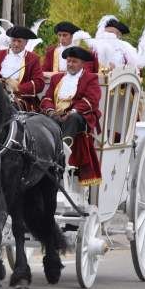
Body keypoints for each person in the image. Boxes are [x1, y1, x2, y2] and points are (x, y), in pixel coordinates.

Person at [41, 46, 102, 186]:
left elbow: (91, 100)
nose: (70, 64)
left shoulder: (90, 78)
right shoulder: (57, 78)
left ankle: (63, 155)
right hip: (56, 114)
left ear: (82, 63)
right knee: (40, 119)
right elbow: (47, 98)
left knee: (72, 119)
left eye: (74, 61)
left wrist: (71, 111)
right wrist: (50, 111)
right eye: (68, 61)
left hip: (79, 117)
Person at [0, 25, 44, 111]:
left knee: (10, 108)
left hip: (20, 99)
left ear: (26, 42)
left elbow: (39, 83)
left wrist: (17, 87)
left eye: (19, 41)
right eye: (13, 40)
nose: (16, 44)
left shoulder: (33, 58)